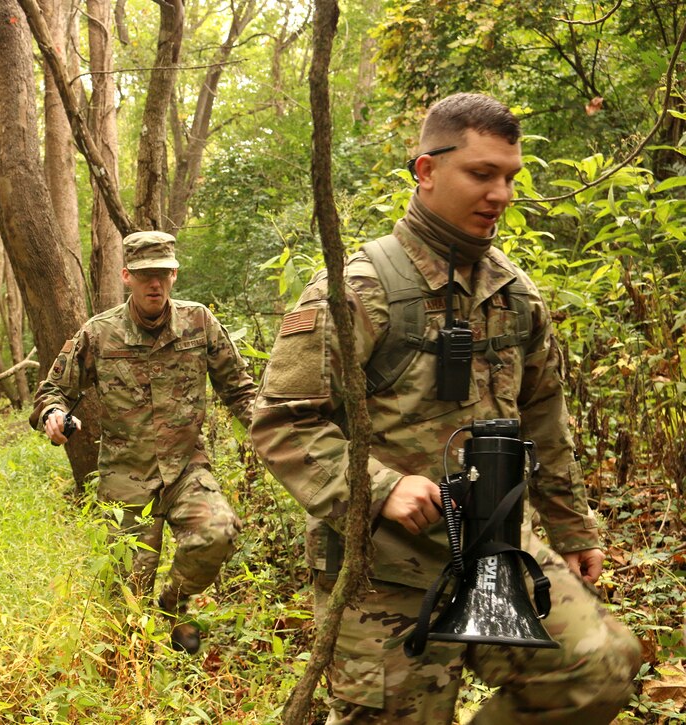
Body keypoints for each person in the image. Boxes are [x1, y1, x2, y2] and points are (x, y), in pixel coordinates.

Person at [250, 93, 641, 723]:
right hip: (389, 569)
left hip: (500, 545)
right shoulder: (358, 288)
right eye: (481, 174)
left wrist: (570, 527)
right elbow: (281, 422)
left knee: (598, 671)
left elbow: (544, 416)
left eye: (510, 177)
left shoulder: (514, 293)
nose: (501, 194)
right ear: (426, 171)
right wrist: (382, 488)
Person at [31, 230, 257, 654]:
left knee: (219, 531)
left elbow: (240, 390)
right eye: (144, 275)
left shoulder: (199, 321)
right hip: (125, 480)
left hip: (186, 469)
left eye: (162, 274)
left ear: (174, 274)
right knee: (124, 605)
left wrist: (272, 431)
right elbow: (51, 391)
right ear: (126, 277)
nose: (155, 284)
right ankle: (132, 683)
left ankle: (173, 607)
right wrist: (54, 415)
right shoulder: (99, 334)